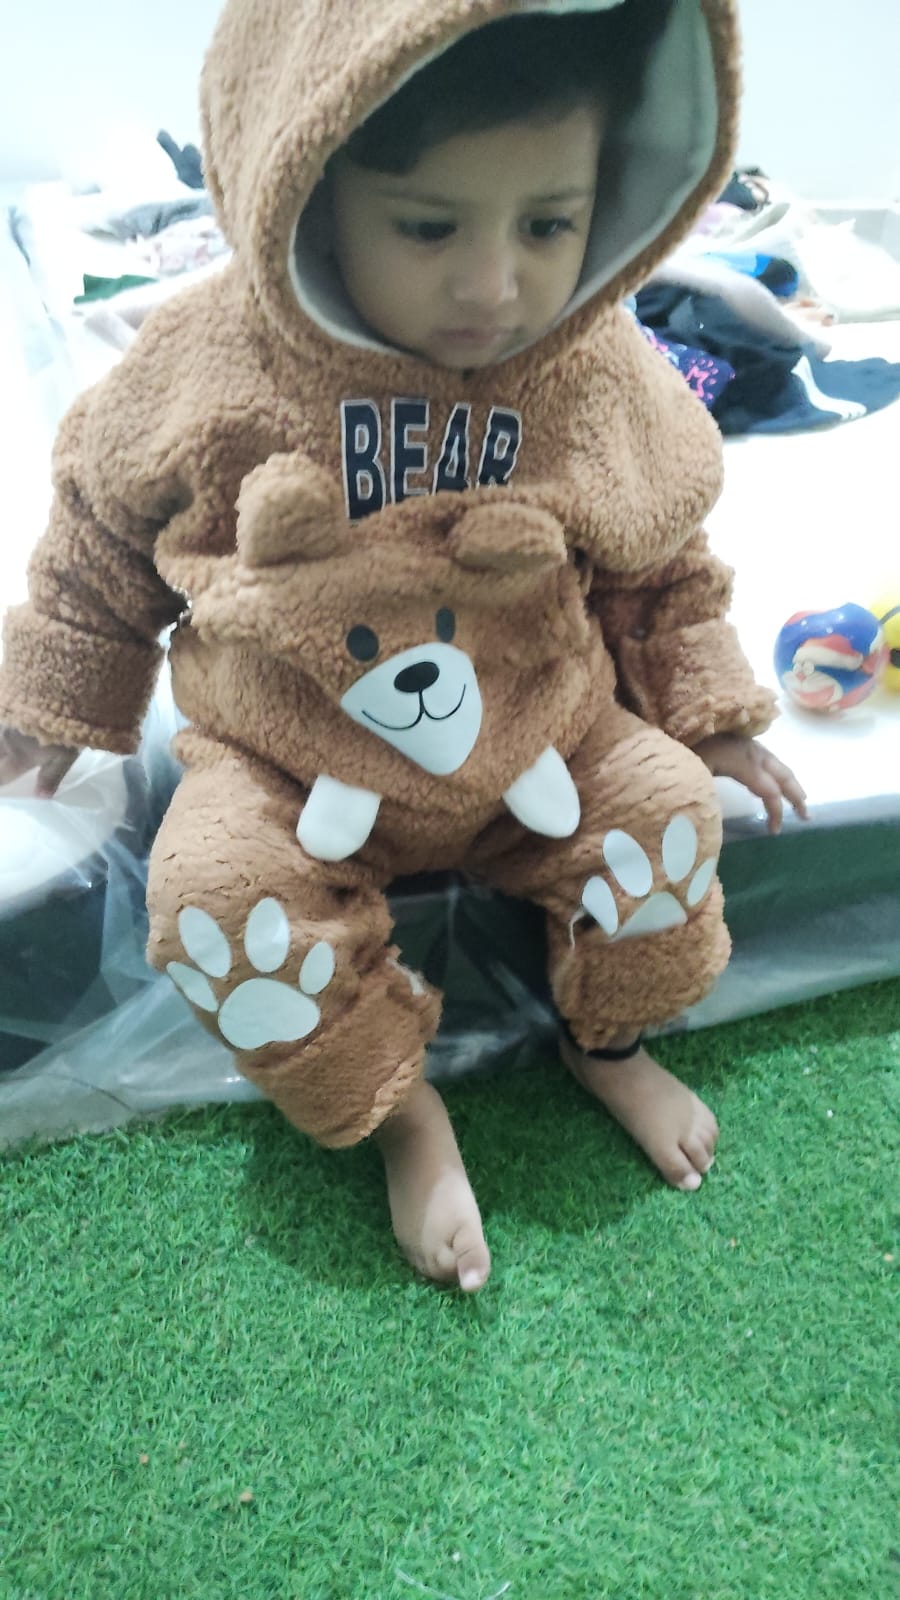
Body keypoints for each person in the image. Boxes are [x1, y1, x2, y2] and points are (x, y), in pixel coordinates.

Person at [0, 0, 808, 1293]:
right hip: (287, 756)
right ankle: (400, 1109)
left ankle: (607, 1045)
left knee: (664, 811)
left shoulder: (593, 364)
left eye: (549, 224)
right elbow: (100, 531)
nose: (495, 286)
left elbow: (659, 552)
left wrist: (706, 706)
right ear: (310, 188)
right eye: (430, 228)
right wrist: (55, 692)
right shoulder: (210, 362)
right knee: (213, 899)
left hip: (540, 735)